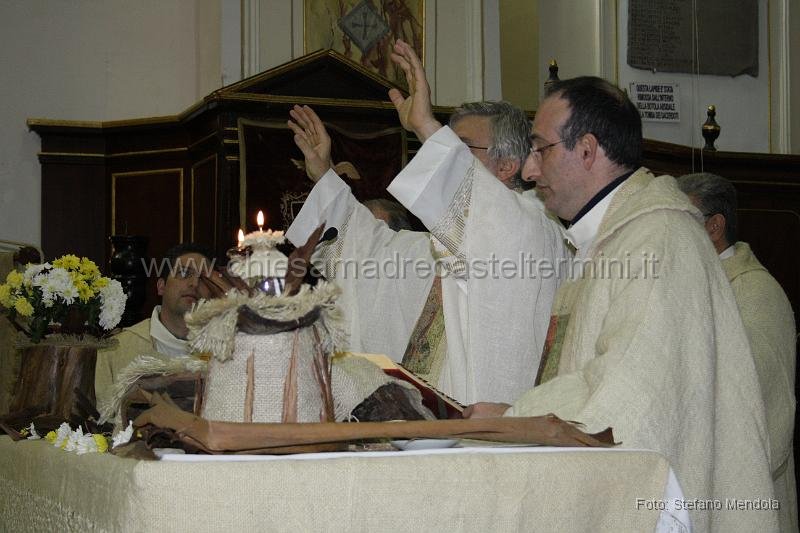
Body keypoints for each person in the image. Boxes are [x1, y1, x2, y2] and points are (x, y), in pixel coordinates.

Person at [383, 39, 774, 530]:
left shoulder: (659, 239)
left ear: (587, 150)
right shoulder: (600, 243)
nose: (529, 170)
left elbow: (629, 399)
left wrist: (516, 415)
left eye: (541, 150)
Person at [286, 99, 566, 405]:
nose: (439, 157)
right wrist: (324, 175)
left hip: (495, 431)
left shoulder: (532, 230)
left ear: (507, 165)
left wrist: (424, 125)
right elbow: (366, 251)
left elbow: (498, 230)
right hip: (435, 428)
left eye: (460, 149)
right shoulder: (439, 247)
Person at [677, 172, 797, 532]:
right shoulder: (690, 282)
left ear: (714, 226)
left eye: (681, 221)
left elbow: (756, 396)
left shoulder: (755, 292)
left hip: (741, 493)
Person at [95, 243, 214, 409]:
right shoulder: (114, 351)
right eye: (184, 273)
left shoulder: (227, 354)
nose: (194, 283)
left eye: (204, 279)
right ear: (161, 287)